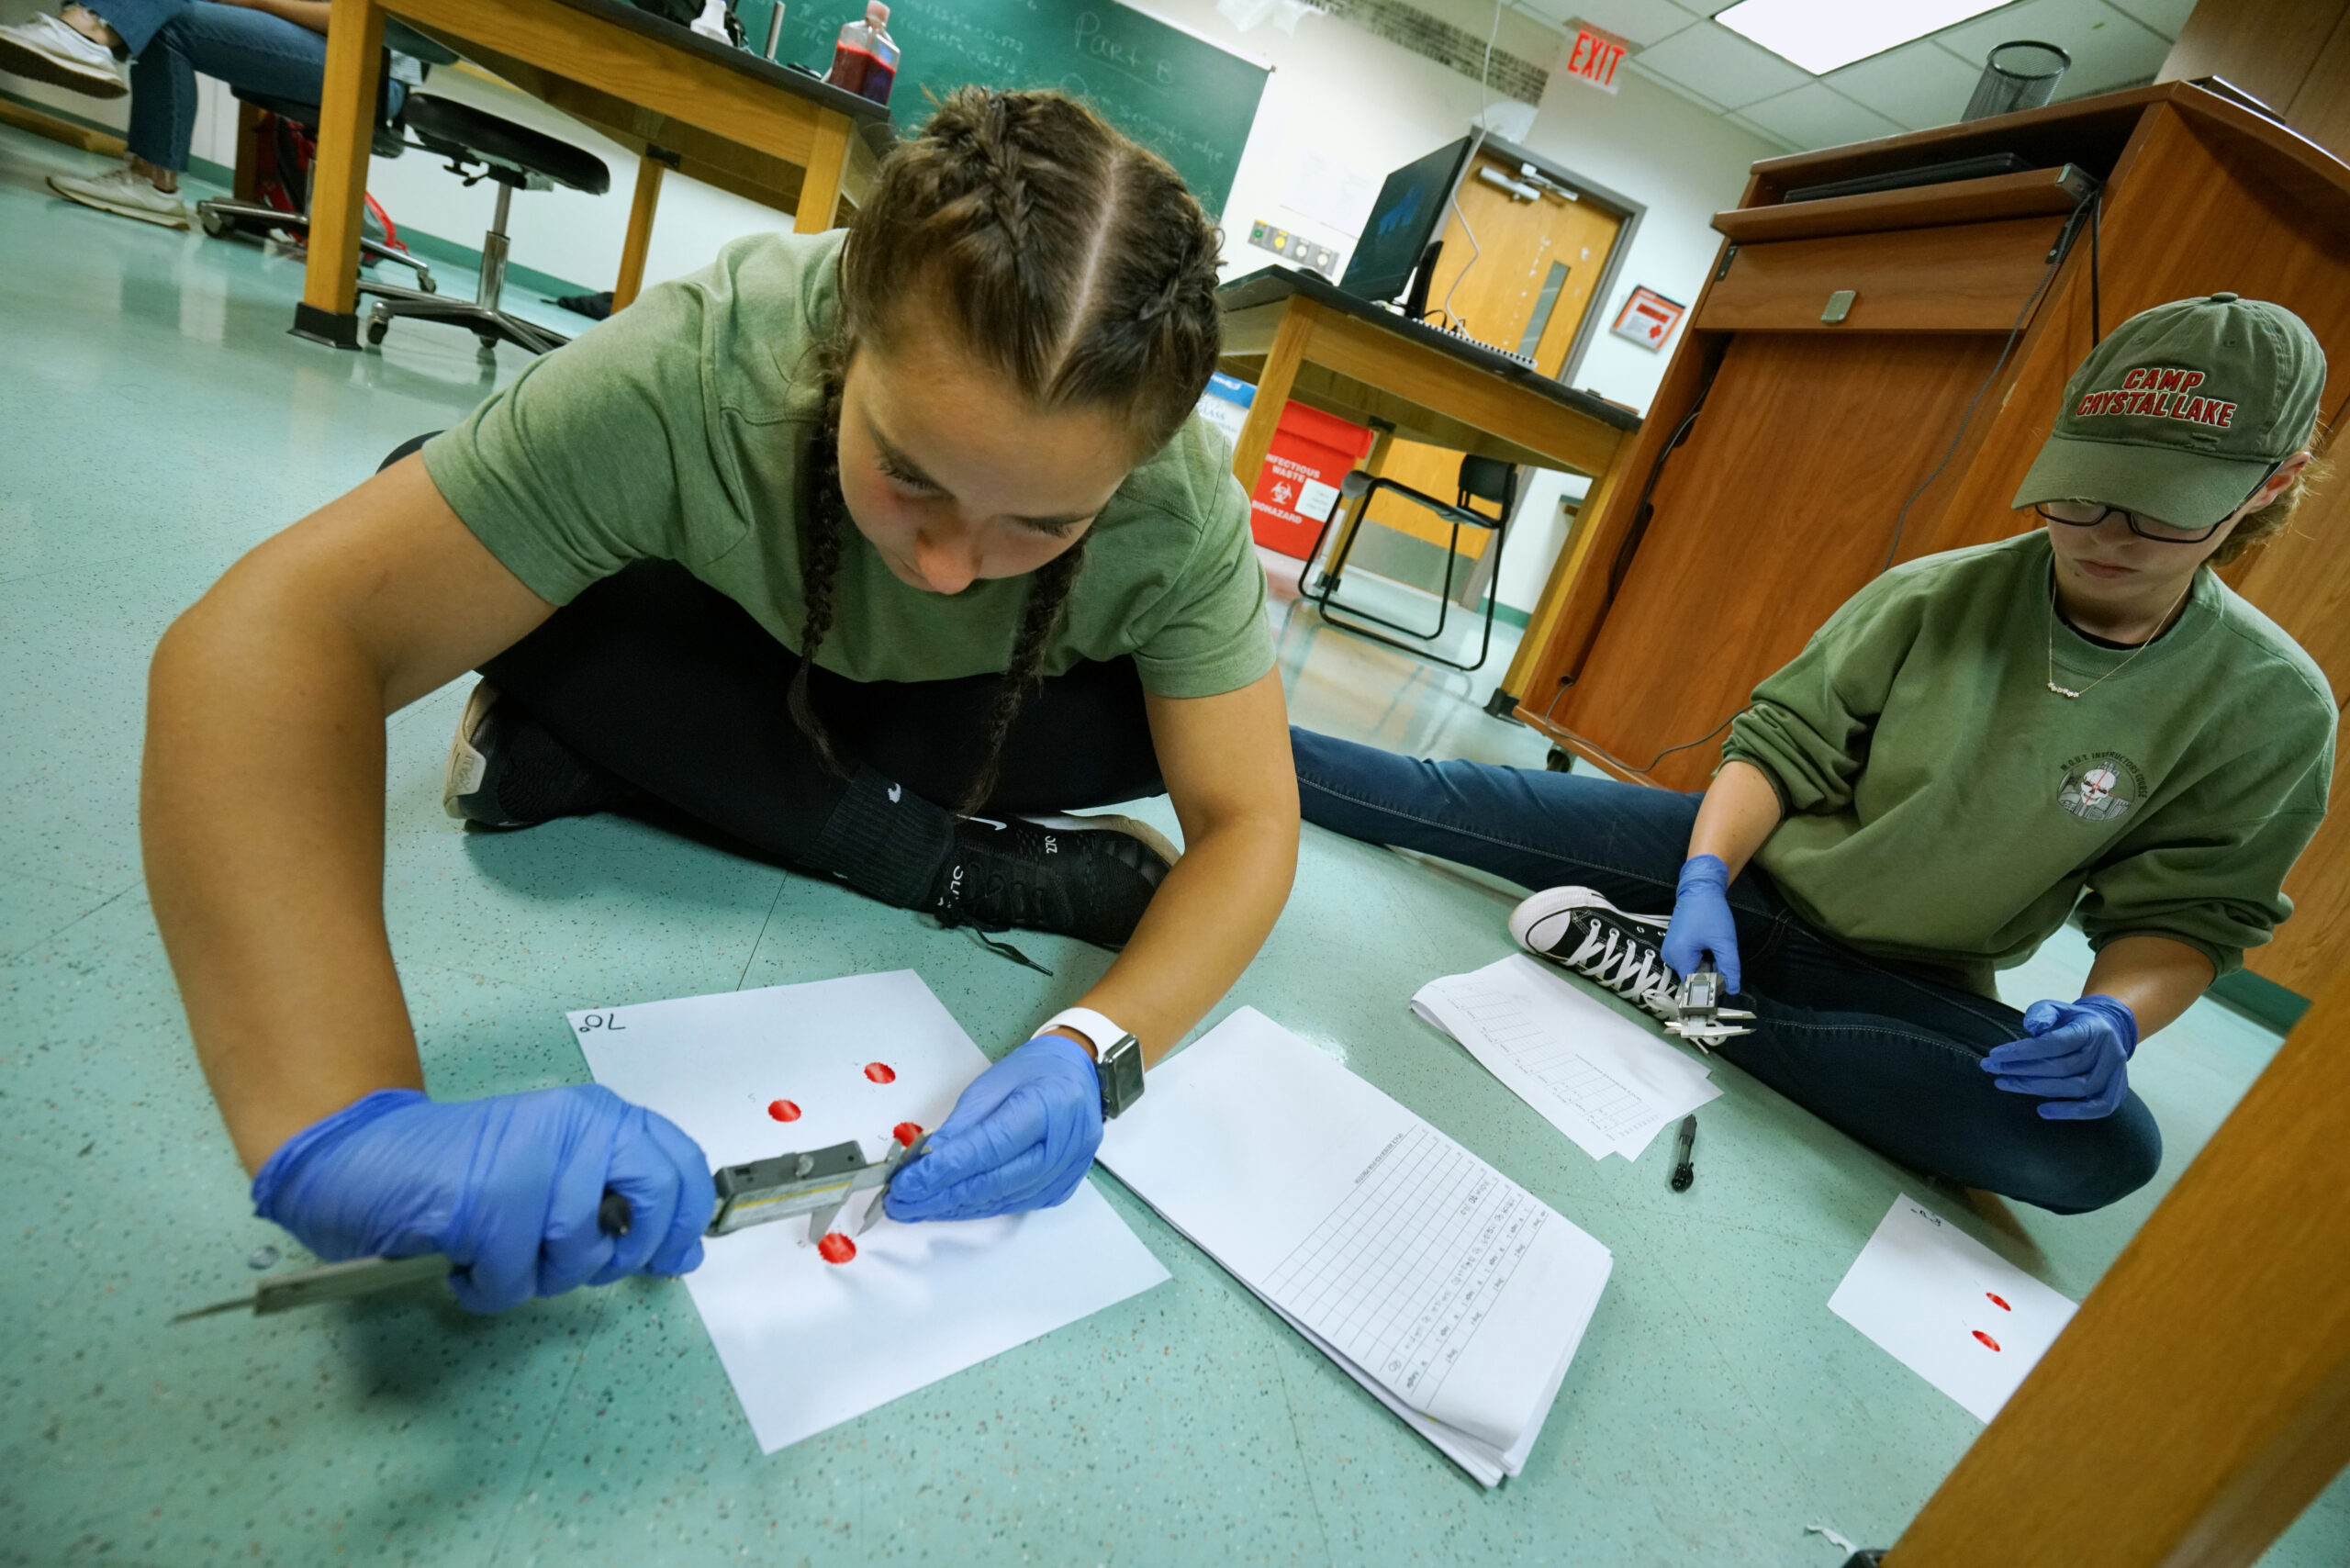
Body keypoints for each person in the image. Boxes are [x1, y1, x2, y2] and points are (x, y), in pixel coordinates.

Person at [142, 89, 1299, 1311]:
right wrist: (335, 1118)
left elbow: (1250, 822)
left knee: (1177, 726)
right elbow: (280, 634)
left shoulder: (1178, 512)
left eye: (1047, 523)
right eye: (909, 475)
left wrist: (1095, 1049)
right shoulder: (709, 357)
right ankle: (949, 860)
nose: (949, 568)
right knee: (431, 511)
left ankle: (616, 761)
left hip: (954, 719)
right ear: (848, 337)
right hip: (738, 656)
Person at [1292, 295, 2334, 1215]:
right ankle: (1163, 718)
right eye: (2082, 491)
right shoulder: (1935, 594)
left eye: (2157, 512)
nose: (2102, 534)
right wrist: (1704, 874)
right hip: (1743, 866)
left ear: (2267, 487)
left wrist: (2113, 1015)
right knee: (1430, 797)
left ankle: (1690, 998)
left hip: (1907, 973)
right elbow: (1778, 749)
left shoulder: (2269, 707)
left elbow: (2189, 914)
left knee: (2100, 1153)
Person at [0, 0, 386, 230]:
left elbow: (360, 20)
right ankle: (85, 27)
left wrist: (253, 2)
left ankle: (86, 32)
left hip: (367, 60)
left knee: (173, 20)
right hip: (304, 38)